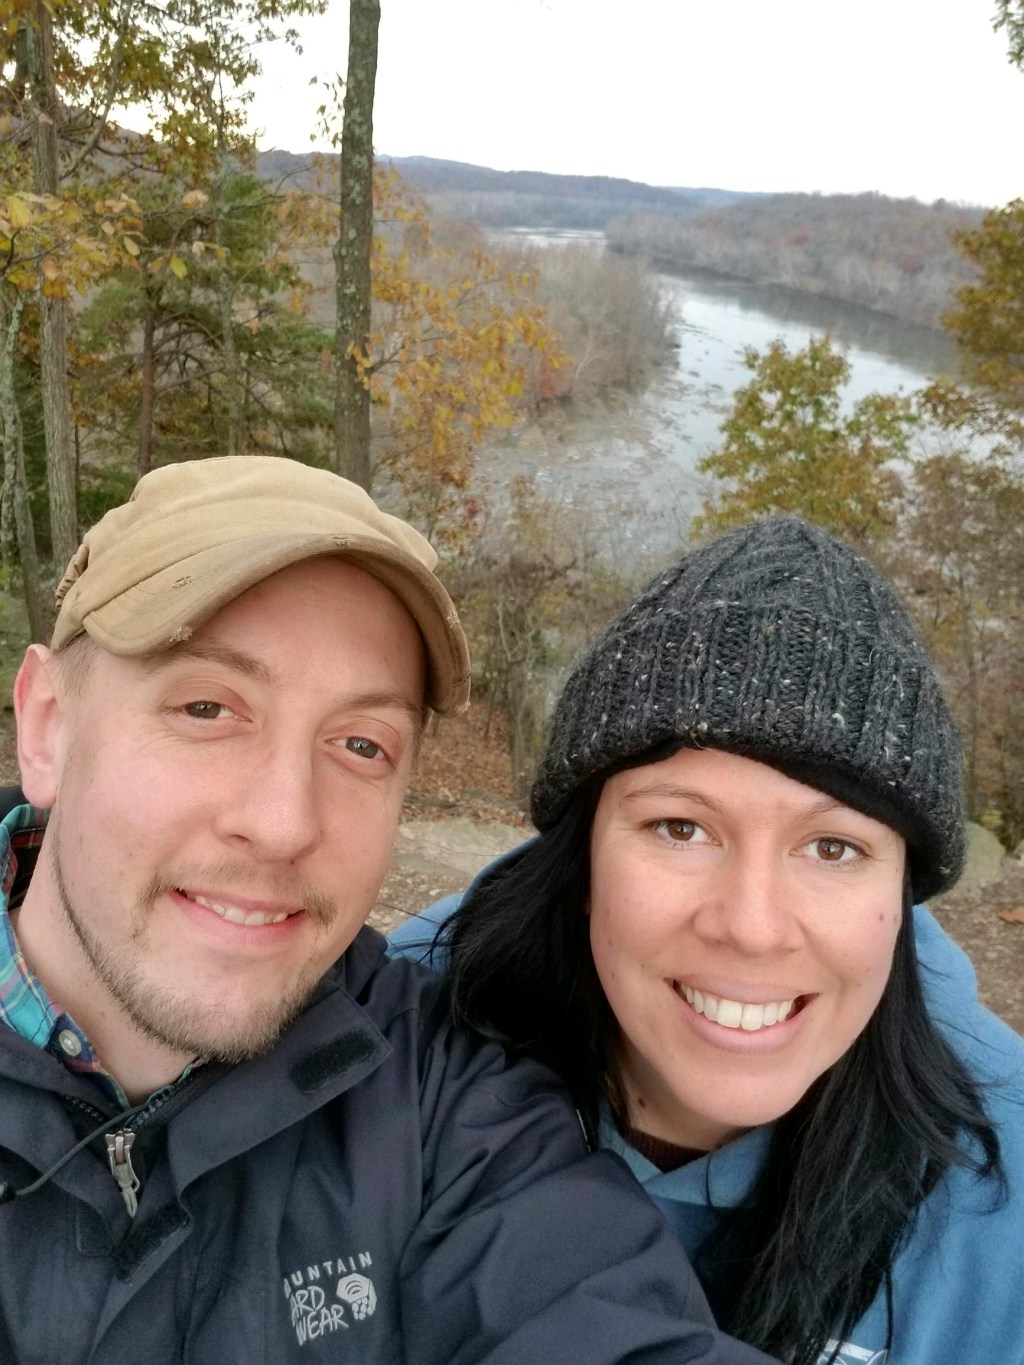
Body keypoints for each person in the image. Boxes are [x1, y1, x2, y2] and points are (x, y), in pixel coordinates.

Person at [0, 456, 777, 1365]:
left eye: (361, 744)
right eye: (208, 707)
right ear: (48, 724)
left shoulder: (442, 1109)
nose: (285, 823)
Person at [389, 516, 1024, 1365]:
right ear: (581, 862)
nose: (752, 926)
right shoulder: (399, 1049)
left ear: (901, 889)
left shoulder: (1004, 1192)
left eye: (832, 847)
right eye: (681, 827)